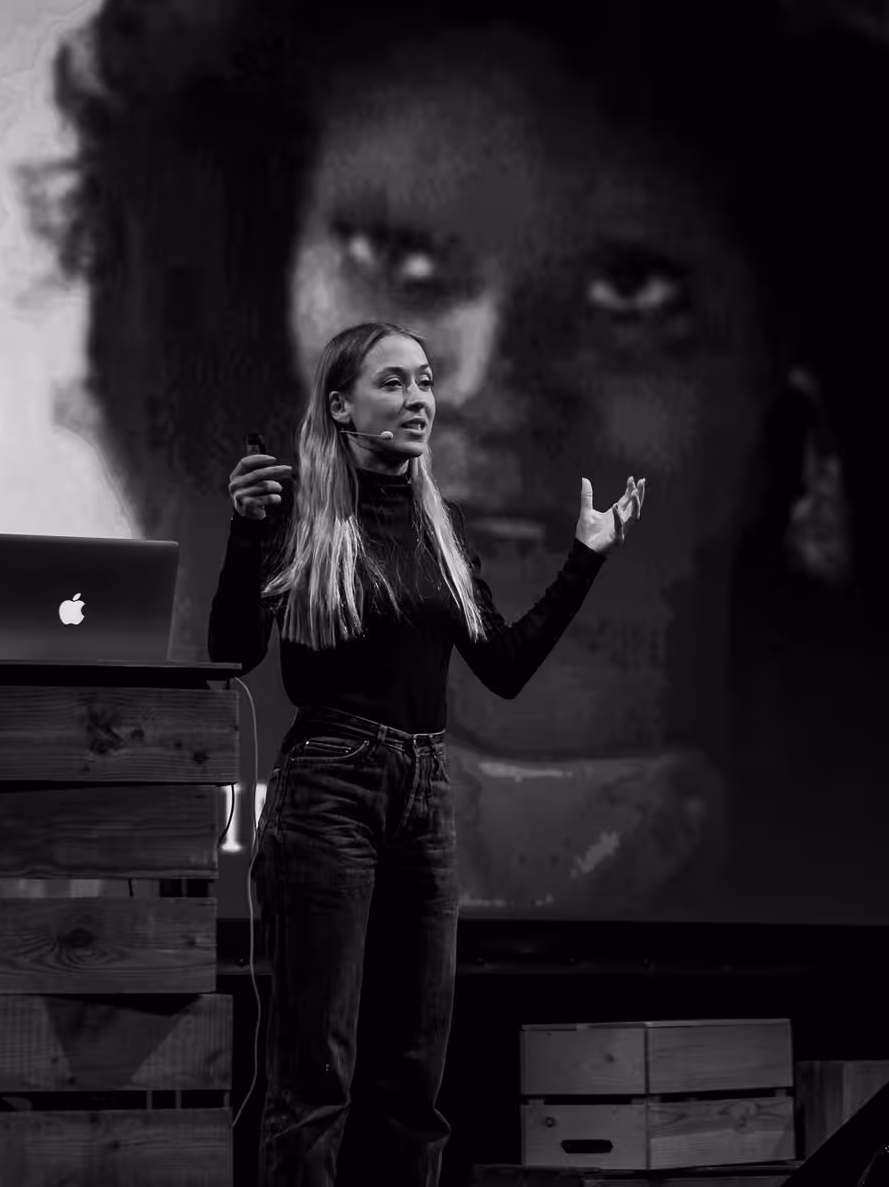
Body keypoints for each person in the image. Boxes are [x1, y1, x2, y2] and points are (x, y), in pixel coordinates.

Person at [28, 0, 889, 930]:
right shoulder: (103, 809)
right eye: (398, 262)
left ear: (795, 343)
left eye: (631, 293)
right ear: (259, 286)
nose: (489, 392)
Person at [212, 319, 644, 1183]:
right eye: (394, 382)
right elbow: (231, 651)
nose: (419, 400)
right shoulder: (298, 513)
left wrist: (585, 558)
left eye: (426, 382)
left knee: (412, 1077)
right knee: (315, 1074)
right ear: (341, 406)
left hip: (427, 791)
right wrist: (246, 532)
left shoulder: (439, 528)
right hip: (328, 789)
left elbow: (505, 667)